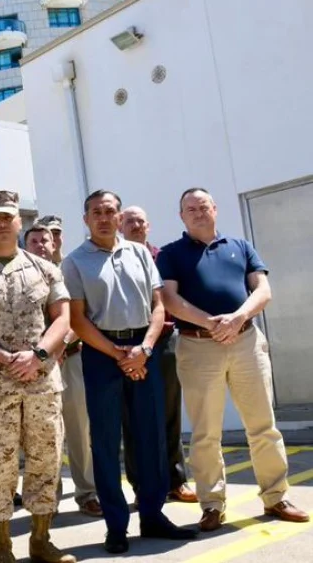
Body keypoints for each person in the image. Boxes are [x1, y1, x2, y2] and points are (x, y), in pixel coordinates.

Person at [158, 188, 309, 530]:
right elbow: (169, 298)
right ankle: (212, 504)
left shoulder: (240, 246)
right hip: (197, 347)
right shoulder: (170, 254)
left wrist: (237, 318)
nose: (197, 212)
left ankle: (276, 497)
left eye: (203, 206)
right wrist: (211, 323)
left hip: (245, 342)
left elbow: (263, 290)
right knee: (205, 433)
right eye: (190, 208)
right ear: (181, 216)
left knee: (263, 426)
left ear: (215, 209)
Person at [62, 190, 197, 554]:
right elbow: (77, 318)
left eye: (110, 211)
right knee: (106, 442)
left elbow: (158, 305)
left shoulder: (140, 253)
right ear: (86, 219)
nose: (104, 218)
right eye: (96, 212)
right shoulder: (74, 262)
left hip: (143, 350)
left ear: (119, 216)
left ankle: (153, 515)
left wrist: (145, 349)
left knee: (150, 436)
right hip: (102, 353)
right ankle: (116, 525)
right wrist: (118, 354)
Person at [0, 191, 73, 563]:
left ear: (20, 222)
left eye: (9, 216)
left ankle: (40, 541)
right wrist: (7, 358)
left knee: (45, 459)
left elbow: (63, 320)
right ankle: (2, 547)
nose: (3, 223)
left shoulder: (45, 269)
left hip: (41, 381)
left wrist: (37, 356)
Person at [119, 206, 196, 504]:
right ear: (119, 226)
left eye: (140, 221)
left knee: (170, 414)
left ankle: (176, 480)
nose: (136, 225)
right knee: (134, 419)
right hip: (128, 347)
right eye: (129, 221)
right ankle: (143, 488)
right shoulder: (115, 259)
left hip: (164, 343)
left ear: (148, 225)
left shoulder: (163, 257)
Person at [26, 224, 102, 518]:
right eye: (34, 240)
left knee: (79, 429)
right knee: (43, 434)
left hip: (69, 359)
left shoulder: (67, 272)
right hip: (35, 367)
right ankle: (48, 498)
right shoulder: (21, 276)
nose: (41, 244)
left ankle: (87, 493)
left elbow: (76, 317)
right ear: (26, 245)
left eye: (45, 239)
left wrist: (58, 347)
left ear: (54, 243)